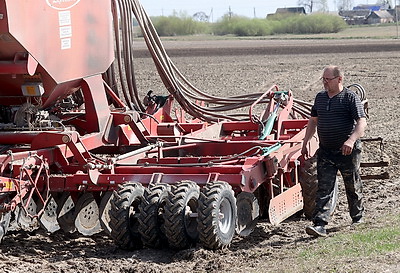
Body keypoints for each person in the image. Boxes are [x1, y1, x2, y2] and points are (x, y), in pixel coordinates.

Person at [301, 65, 367, 237]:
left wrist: (351, 141)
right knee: (324, 188)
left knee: (352, 185)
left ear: (339, 79)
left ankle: (357, 217)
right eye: (323, 79)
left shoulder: (349, 98)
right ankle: (319, 225)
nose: (324, 82)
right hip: (326, 151)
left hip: (347, 152)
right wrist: (306, 141)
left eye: (327, 79)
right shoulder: (320, 98)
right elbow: (313, 121)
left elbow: (361, 122)